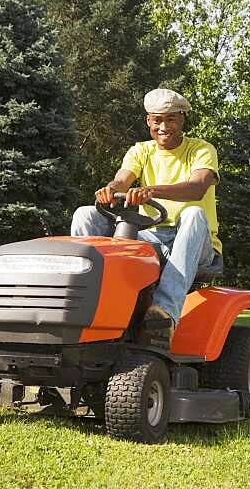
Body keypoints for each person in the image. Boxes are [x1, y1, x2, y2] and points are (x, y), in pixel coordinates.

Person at [70, 88, 220, 348]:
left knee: (194, 213)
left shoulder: (200, 150)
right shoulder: (141, 151)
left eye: (171, 119)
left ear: (182, 119)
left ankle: (162, 315)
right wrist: (111, 190)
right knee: (85, 213)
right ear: (148, 122)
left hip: (195, 242)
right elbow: (121, 179)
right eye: (157, 120)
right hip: (150, 238)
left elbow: (197, 187)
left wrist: (152, 190)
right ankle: (85, 303)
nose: (163, 126)